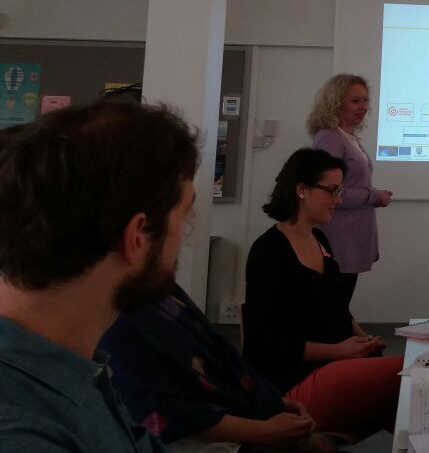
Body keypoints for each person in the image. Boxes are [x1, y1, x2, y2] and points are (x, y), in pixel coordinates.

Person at [0, 100, 199, 451]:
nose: (185, 233)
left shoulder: (69, 364)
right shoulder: (23, 433)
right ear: (138, 236)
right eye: (184, 215)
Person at [243, 148, 401, 438]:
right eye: (333, 190)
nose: (338, 200)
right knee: (408, 374)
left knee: (411, 392)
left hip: (334, 365)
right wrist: (340, 351)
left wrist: (363, 338)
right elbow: (267, 345)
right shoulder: (269, 252)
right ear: (302, 190)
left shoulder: (320, 239)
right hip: (295, 380)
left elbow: (337, 307)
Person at [101, 282, 329, 451]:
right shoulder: (125, 318)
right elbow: (171, 414)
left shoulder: (160, 290)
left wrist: (277, 404)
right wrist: (266, 431)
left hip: (251, 410)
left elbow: (222, 366)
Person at [307, 74, 392, 302]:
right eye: (355, 101)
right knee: (333, 305)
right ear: (335, 103)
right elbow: (329, 192)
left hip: (352, 235)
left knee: (339, 304)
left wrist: (373, 196)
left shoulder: (349, 137)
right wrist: (373, 195)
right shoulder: (330, 138)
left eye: (365, 100)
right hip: (339, 237)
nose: (363, 107)